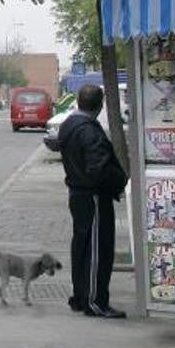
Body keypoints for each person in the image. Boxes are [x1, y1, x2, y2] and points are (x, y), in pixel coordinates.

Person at [58, 84, 129, 318]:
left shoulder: (70, 124)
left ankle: (81, 297)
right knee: (97, 250)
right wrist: (118, 182)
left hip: (79, 193)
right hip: (93, 195)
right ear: (100, 105)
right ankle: (94, 301)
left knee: (82, 246)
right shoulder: (88, 130)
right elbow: (98, 168)